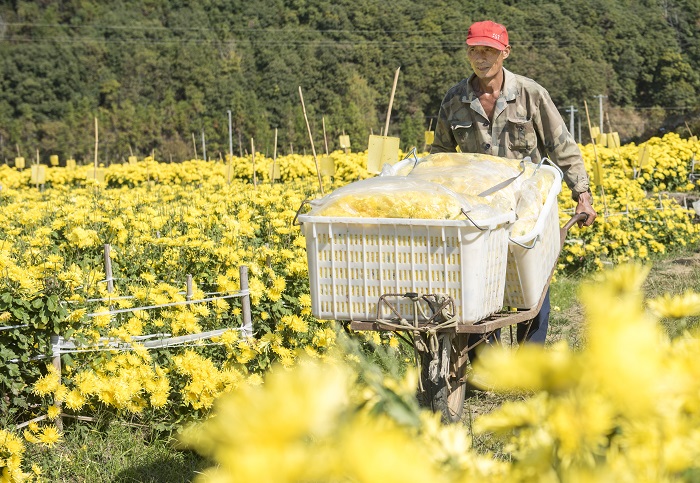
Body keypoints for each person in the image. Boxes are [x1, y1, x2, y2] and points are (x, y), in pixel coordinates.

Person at [430, 20, 597, 357]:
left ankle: (528, 365)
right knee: (477, 287)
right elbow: (440, 157)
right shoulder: (455, 99)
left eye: (489, 50)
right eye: (475, 50)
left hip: (528, 207)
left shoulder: (530, 95)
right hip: (478, 211)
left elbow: (561, 145)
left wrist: (583, 194)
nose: (481, 57)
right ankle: (486, 367)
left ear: (505, 52)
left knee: (531, 289)